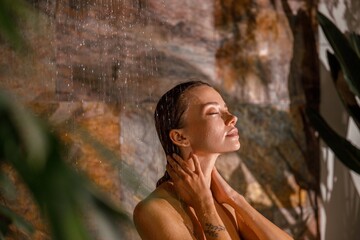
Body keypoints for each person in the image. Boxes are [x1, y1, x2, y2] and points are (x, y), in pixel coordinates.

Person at [133, 81, 293, 240]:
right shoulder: (154, 210)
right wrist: (205, 207)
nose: (232, 118)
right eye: (213, 113)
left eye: (226, 109)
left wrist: (235, 199)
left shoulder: (226, 203)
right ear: (180, 137)